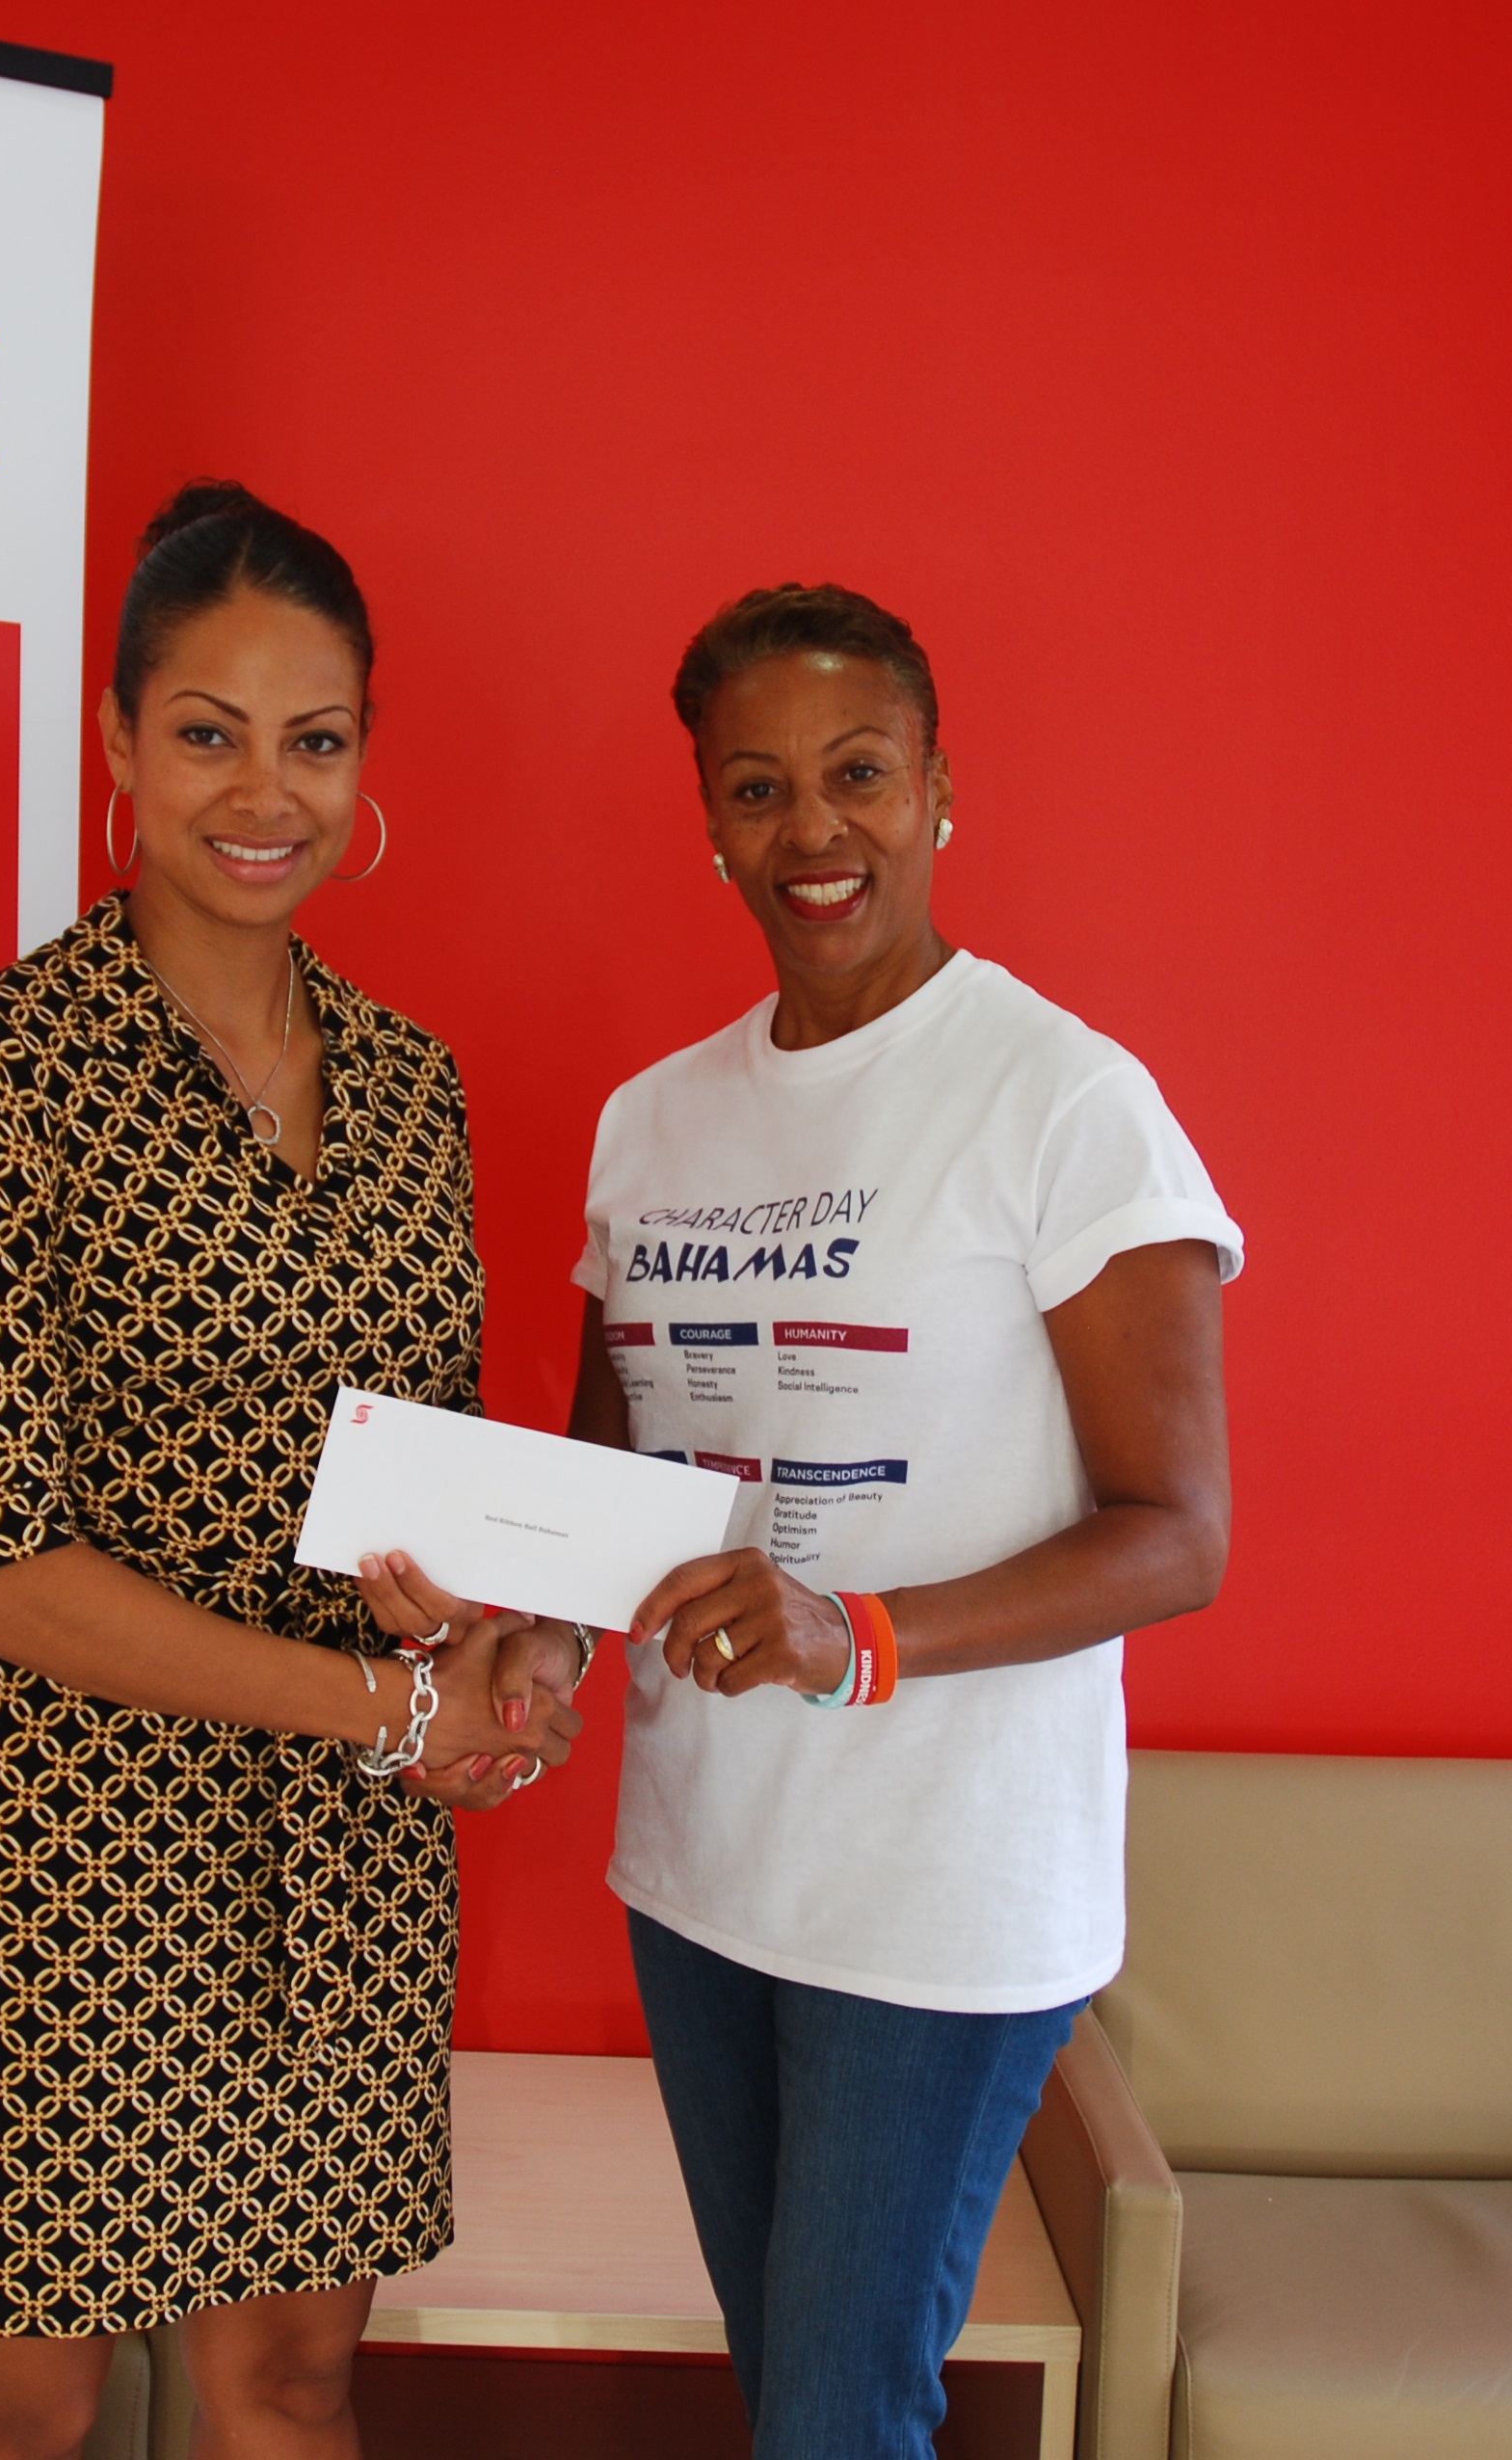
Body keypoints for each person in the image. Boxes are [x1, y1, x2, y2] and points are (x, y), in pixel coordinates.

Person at [0, 480, 581, 2460]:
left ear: (362, 758)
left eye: (311, 739)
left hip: (335, 1861)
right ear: (119, 742)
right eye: (208, 733)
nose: (264, 791)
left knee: (289, 2389)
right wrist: (379, 1706)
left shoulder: (411, 1084)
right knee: (23, 2416)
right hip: (52, 1849)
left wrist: (498, 1649)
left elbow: (432, 1482)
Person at [558, 584, 1241, 2458]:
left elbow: (1177, 1533)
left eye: (857, 772)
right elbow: (616, 1481)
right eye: (757, 786)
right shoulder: (651, 1123)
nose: (812, 827)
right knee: (793, 2391)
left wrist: (852, 1634)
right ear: (709, 821)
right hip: (702, 1863)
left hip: (937, 1892)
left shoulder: (1063, 1101)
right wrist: (510, 1619)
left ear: (939, 788)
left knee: (834, 2417)